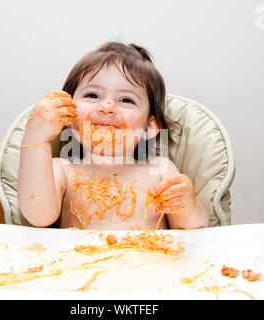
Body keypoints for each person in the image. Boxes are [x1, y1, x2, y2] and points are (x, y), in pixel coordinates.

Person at [18, 42, 209, 230]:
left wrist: (188, 207)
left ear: (150, 127)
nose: (107, 107)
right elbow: (38, 216)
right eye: (92, 95)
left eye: (126, 100)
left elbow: (192, 232)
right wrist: (35, 139)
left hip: (150, 261)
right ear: (68, 115)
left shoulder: (160, 171)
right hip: (78, 261)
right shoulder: (61, 171)